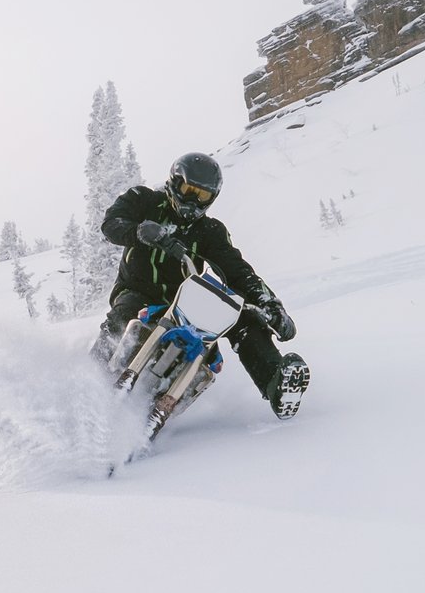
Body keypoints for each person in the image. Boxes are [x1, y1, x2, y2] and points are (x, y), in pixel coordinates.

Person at [98, 152, 310, 418]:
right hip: (138, 292)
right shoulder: (144, 200)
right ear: (174, 183)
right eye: (188, 190)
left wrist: (269, 304)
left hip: (186, 304)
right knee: (123, 314)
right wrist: (141, 231)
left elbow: (237, 271)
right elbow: (111, 223)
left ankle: (276, 382)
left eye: (202, 196)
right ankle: (92, 380)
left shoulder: (211, 231)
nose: (192, 201)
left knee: (242, 317)